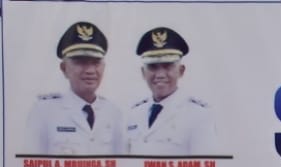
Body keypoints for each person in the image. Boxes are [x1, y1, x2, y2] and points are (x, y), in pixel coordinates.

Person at [25, 22, 124, 155]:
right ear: (64, 68)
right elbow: (31, 163)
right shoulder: (43, 112)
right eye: (81, 62)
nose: (90, 70)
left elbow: (122, 164)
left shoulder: (113, 113)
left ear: (103, 67)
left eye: (96, 63)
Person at [126, 27, 219, 155]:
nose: (160, 75)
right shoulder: (134, 114)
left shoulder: (199, 116)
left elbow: (205, 165)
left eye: (167, 66)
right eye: (152, 67)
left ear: (181, 71)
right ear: (143, 72)